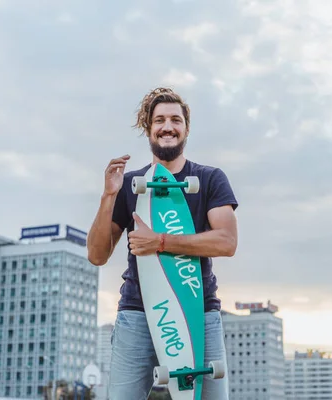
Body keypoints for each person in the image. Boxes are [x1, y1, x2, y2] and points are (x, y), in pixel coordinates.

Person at [87, 87, 238, 400]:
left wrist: (160, 241)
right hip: (137, 312)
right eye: (159, 120)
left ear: (186, 128)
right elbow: (97, 255)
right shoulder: (130, 184)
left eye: (175, 119)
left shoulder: (210, 179)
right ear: (148, 128)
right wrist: (109, 195)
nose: (167, 126)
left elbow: (227, 241)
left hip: (198, 310)